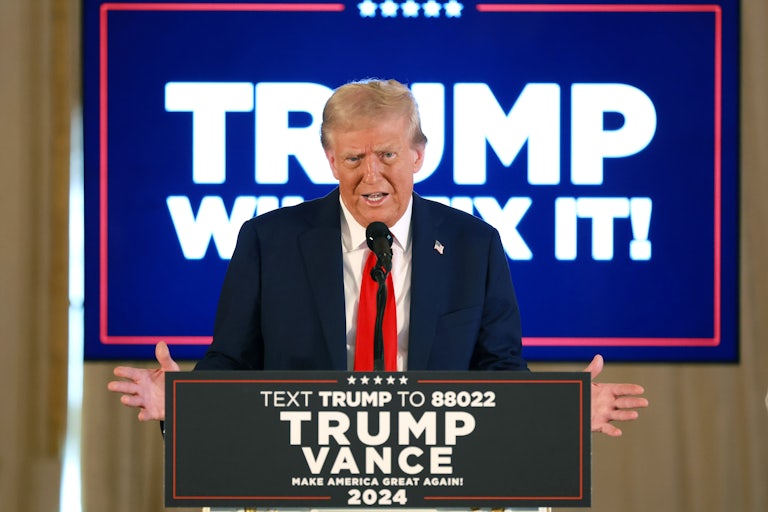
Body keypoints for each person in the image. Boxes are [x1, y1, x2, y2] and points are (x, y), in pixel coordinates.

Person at [109, 78, 647, 437]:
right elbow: (232, 365)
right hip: (303, 482)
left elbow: (499, 375)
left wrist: (563, 413)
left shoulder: (474, 246)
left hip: (437, 481)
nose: (371, 175)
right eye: (353, 157)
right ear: (329, 159)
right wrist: (180, 405)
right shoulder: (266, 241)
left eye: (387, 155)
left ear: (418, 154)